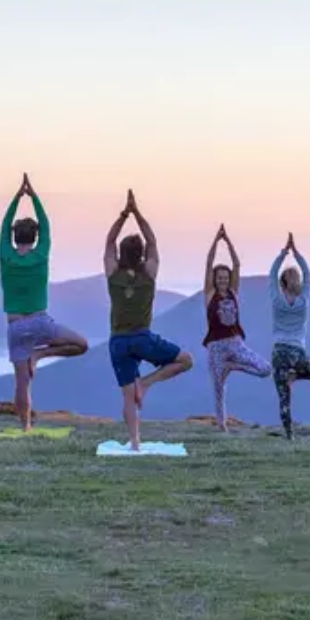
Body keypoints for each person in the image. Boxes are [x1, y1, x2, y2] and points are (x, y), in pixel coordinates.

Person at [104, 189, 194, 451]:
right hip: (142, 338)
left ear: (121, 254)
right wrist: (137, 213)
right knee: (186, 360)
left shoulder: (113, 274)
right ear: (142, 254)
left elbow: (108, 242)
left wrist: (124, 214)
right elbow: (152, 242)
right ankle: (147, 383)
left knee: (128, 396)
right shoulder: (149, 274)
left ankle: (134, 442)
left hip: (118, 341)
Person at [0, 173, 89, 432]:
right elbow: (46, 225)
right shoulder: (41, 255)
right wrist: (34, 196)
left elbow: (3, 227)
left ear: (15, 237)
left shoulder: (6, 255)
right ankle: (41, 354)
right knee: (81, 345)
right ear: (35, 237)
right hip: (40, 323)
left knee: (22, 384)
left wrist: (17, 197)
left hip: (15, 326)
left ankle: (25, 427)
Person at [202, 224, 272, 431]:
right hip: (216, 346)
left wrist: (228, 241)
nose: (223, 280)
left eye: (225, 277)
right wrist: (216, 241)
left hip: (236, 344)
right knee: (218, 389)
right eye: (219, 277)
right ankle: (222, 427)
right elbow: (208, 264)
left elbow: (237, 264)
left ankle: (232, 366)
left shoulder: (233, 292)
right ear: (215, 279)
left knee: (265, 369)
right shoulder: (209, 295)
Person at [269, 231, 310, 440]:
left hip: (279, 352)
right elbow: (308, 274)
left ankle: (289, 435)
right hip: (297, 354)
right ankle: (296, 375)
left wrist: (283, 253)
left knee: (284, 398)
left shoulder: (276, 299)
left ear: (281, 284)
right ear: (297, 282)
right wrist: (296, 253)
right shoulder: (304, 300)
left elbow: (272, 274)